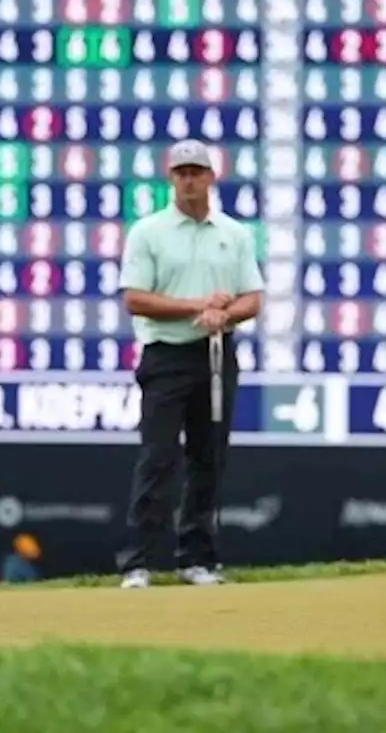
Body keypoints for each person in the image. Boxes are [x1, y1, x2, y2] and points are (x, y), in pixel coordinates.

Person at [114, 138, 264, 588]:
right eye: (182, 172)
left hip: (216, 355)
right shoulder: (149, 232)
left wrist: (223, 314)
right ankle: (138, 562)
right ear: (170, 178)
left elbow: (252, 299)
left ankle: (196, 559)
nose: (189, 180)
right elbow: (136, 299)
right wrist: (197, 306)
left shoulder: (233, 233)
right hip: (166, 356)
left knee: (208, 457)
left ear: (211, 176)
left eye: (197, 171)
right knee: (158, 458)